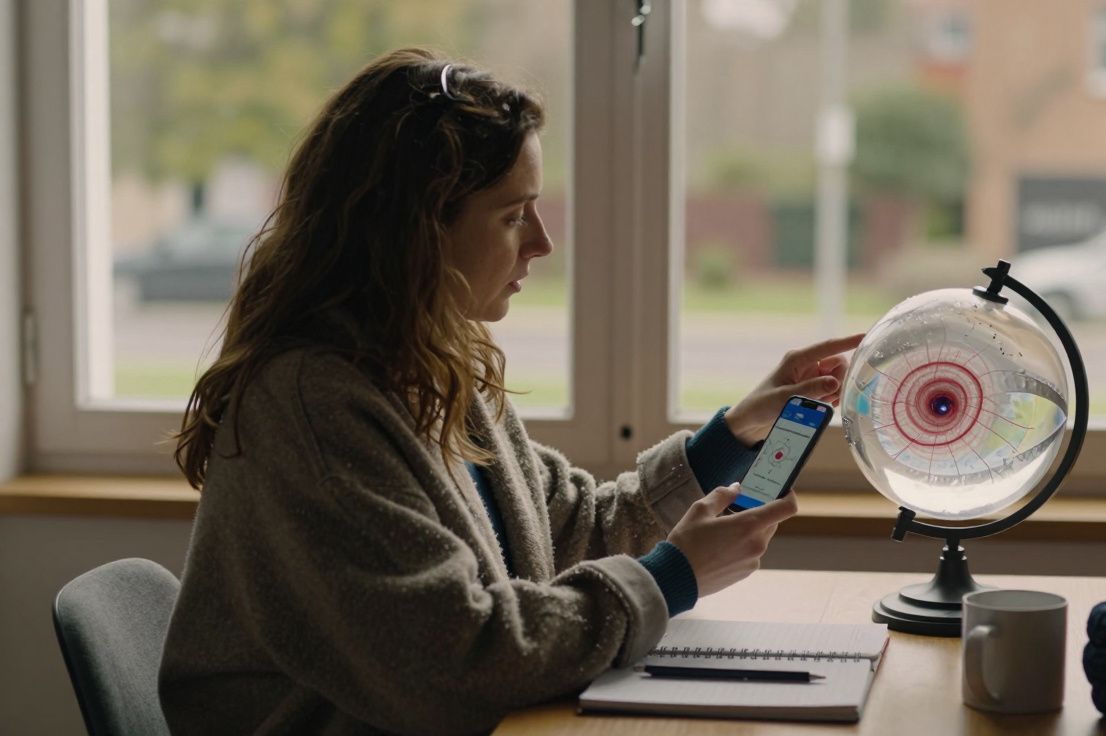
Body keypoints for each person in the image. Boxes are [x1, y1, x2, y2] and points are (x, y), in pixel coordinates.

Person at [159, 48, 863, 735]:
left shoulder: (436, 365)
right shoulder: (313, 409)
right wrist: (671, 578)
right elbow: (455, 663)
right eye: (511, 214)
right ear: (416, 232)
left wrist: (727, 440)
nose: (542, 242)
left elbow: (565, 533)